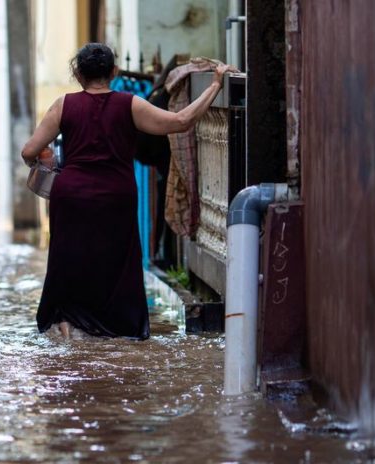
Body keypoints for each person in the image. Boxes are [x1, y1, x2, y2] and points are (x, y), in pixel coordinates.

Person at [20, 43, 231, 340]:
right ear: (114, 72)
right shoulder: (130, 104)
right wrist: (215, 84)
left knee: (68, 257)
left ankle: (67, 320)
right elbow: (181, 121)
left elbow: (29, 150)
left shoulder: (63, 104)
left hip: (71, 195)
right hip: (115, 195)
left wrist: (42, 160)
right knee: (116, 260)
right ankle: (114, 326)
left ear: (78, 73)